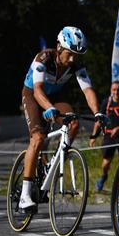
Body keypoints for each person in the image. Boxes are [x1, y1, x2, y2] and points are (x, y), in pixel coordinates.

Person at [19, 26, 107, 212]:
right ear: (59, 47)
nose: (73, 59)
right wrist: (49, 108)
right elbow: (37, 90)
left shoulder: (76, 65)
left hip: (54, 97)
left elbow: (88, 90)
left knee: (73, 123)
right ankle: (25, 195)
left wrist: (97, 112)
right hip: (33, 94)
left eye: (77, 55)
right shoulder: (43, 58)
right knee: (38, 138)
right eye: (70, 54)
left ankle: (55, 161)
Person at [89, 81, 119, 191]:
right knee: (105, 163)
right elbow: (98, 120)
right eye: (114, 90)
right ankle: (104, 176)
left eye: (118, 90)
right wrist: (94, 136)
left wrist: (118, 129)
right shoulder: (106, 102)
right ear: (110, 90)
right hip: (109, 137)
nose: (116, 92)